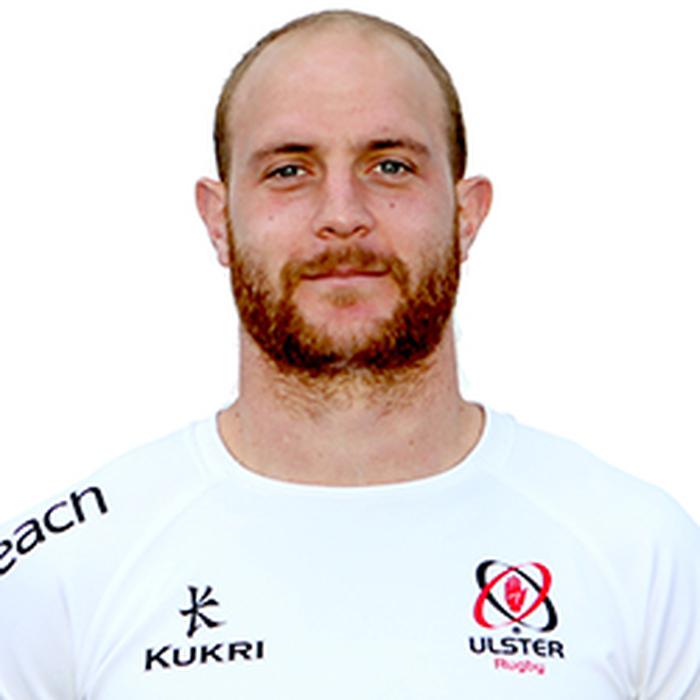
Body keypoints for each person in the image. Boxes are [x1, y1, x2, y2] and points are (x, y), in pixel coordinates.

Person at [1, 9, 698, 699]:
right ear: (218, 220)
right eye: (288, 170)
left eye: (390, 166)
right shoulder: (64, 571)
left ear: (467, 215)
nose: (342, 214)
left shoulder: (643, 555)